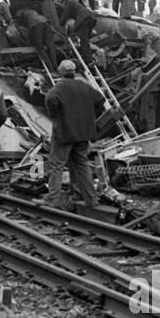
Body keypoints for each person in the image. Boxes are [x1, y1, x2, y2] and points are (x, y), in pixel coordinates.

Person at [42, 60, 104, 208]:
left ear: (60, 72)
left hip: (65, 133)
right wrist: (91, 116)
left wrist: (56, 116)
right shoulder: (84, 86)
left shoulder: (60, 87)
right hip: (83, 133)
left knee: (56, 164)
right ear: (74, 72)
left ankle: (53, 199)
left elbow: (50, 99)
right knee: (82, 164)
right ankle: (91, 199)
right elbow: (100, 100)